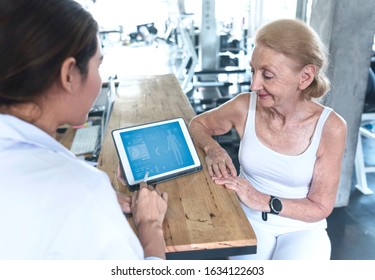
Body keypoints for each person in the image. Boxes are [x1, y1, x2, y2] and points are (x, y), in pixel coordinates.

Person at [0, 0, 167, 259]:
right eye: (98, 65)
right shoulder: (78, 189)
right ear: (69, 74)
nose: (100, 79)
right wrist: (151, 225)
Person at [189, 19, 347, 260]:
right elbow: (197, 124)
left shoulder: (331, 128)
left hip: (301, 228)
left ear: (304, 77)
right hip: (248, 219)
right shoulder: (245, 106)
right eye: (253, 70)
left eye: (268, 75)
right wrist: (213, 149)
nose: (254, 85)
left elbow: (320, 207)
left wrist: (262, 200)